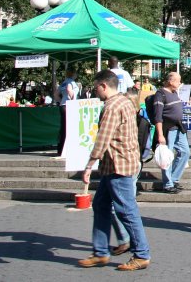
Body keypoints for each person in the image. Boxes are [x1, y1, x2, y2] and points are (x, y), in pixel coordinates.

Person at [77, 70, 150, 271]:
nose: (95, 91)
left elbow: (103, 137)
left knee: (126, 210)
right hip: (118, 163)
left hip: (119, 165)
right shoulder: (126, 101)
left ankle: (141, 254)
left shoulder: (112, 106)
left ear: (103, 86)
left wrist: (89, 164)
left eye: (96, 87)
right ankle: (100, 252)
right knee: (101, 205)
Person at [110, 87, 148, 256]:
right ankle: (129, 241)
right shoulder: (138, 120)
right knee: (124, 205)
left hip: (126, 164)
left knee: (122, 206)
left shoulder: (133, 121)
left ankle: (131, 242)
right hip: (131, 163)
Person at [153, 72, 189, 193]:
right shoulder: (160, 94)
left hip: (178, 127)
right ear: (170, 81)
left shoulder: (174, 93)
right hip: (168, 129)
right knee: (167, 157)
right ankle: (168, 184)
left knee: (185, 152)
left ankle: (174, 178)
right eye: (178, 81)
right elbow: (158, 116)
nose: (179, 83)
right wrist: (160, 135)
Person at [56, 67, 80, 156]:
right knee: (69, 128)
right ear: (73, 74)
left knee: (63, 128)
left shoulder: (63, 82)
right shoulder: (71, 82)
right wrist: (73, 100)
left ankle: (61, 149)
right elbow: (69, 90)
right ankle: (67, 150)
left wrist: (61, 100)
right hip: (69, 106)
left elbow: (56, 94)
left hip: (62, 105)